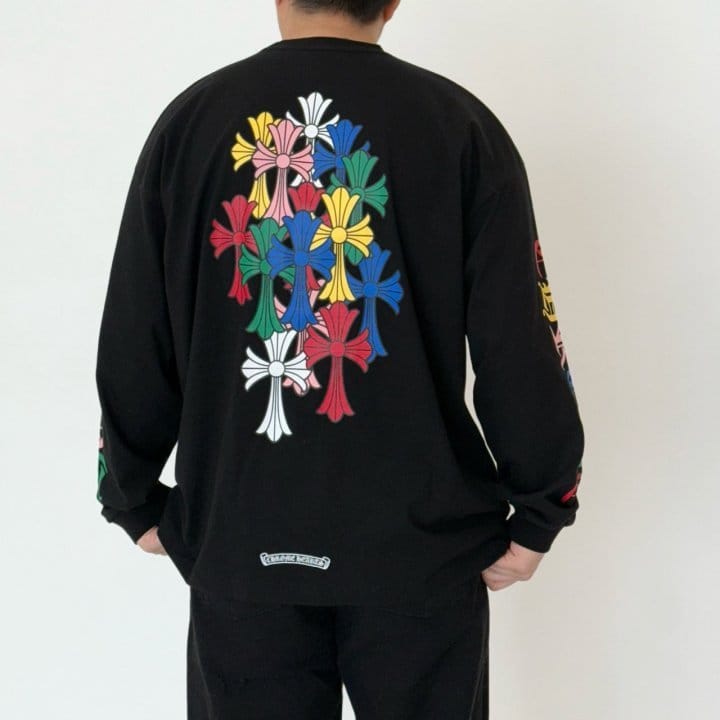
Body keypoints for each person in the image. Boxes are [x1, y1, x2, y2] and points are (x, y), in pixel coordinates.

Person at [95, 0, 585, 717]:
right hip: (421, 550)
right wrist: (544, 503)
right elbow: (520, 335)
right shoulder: (459, 127)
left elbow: (137, 326)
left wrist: (129, 491)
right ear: (391, 3)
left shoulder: (192, 123)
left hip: (241, 537)